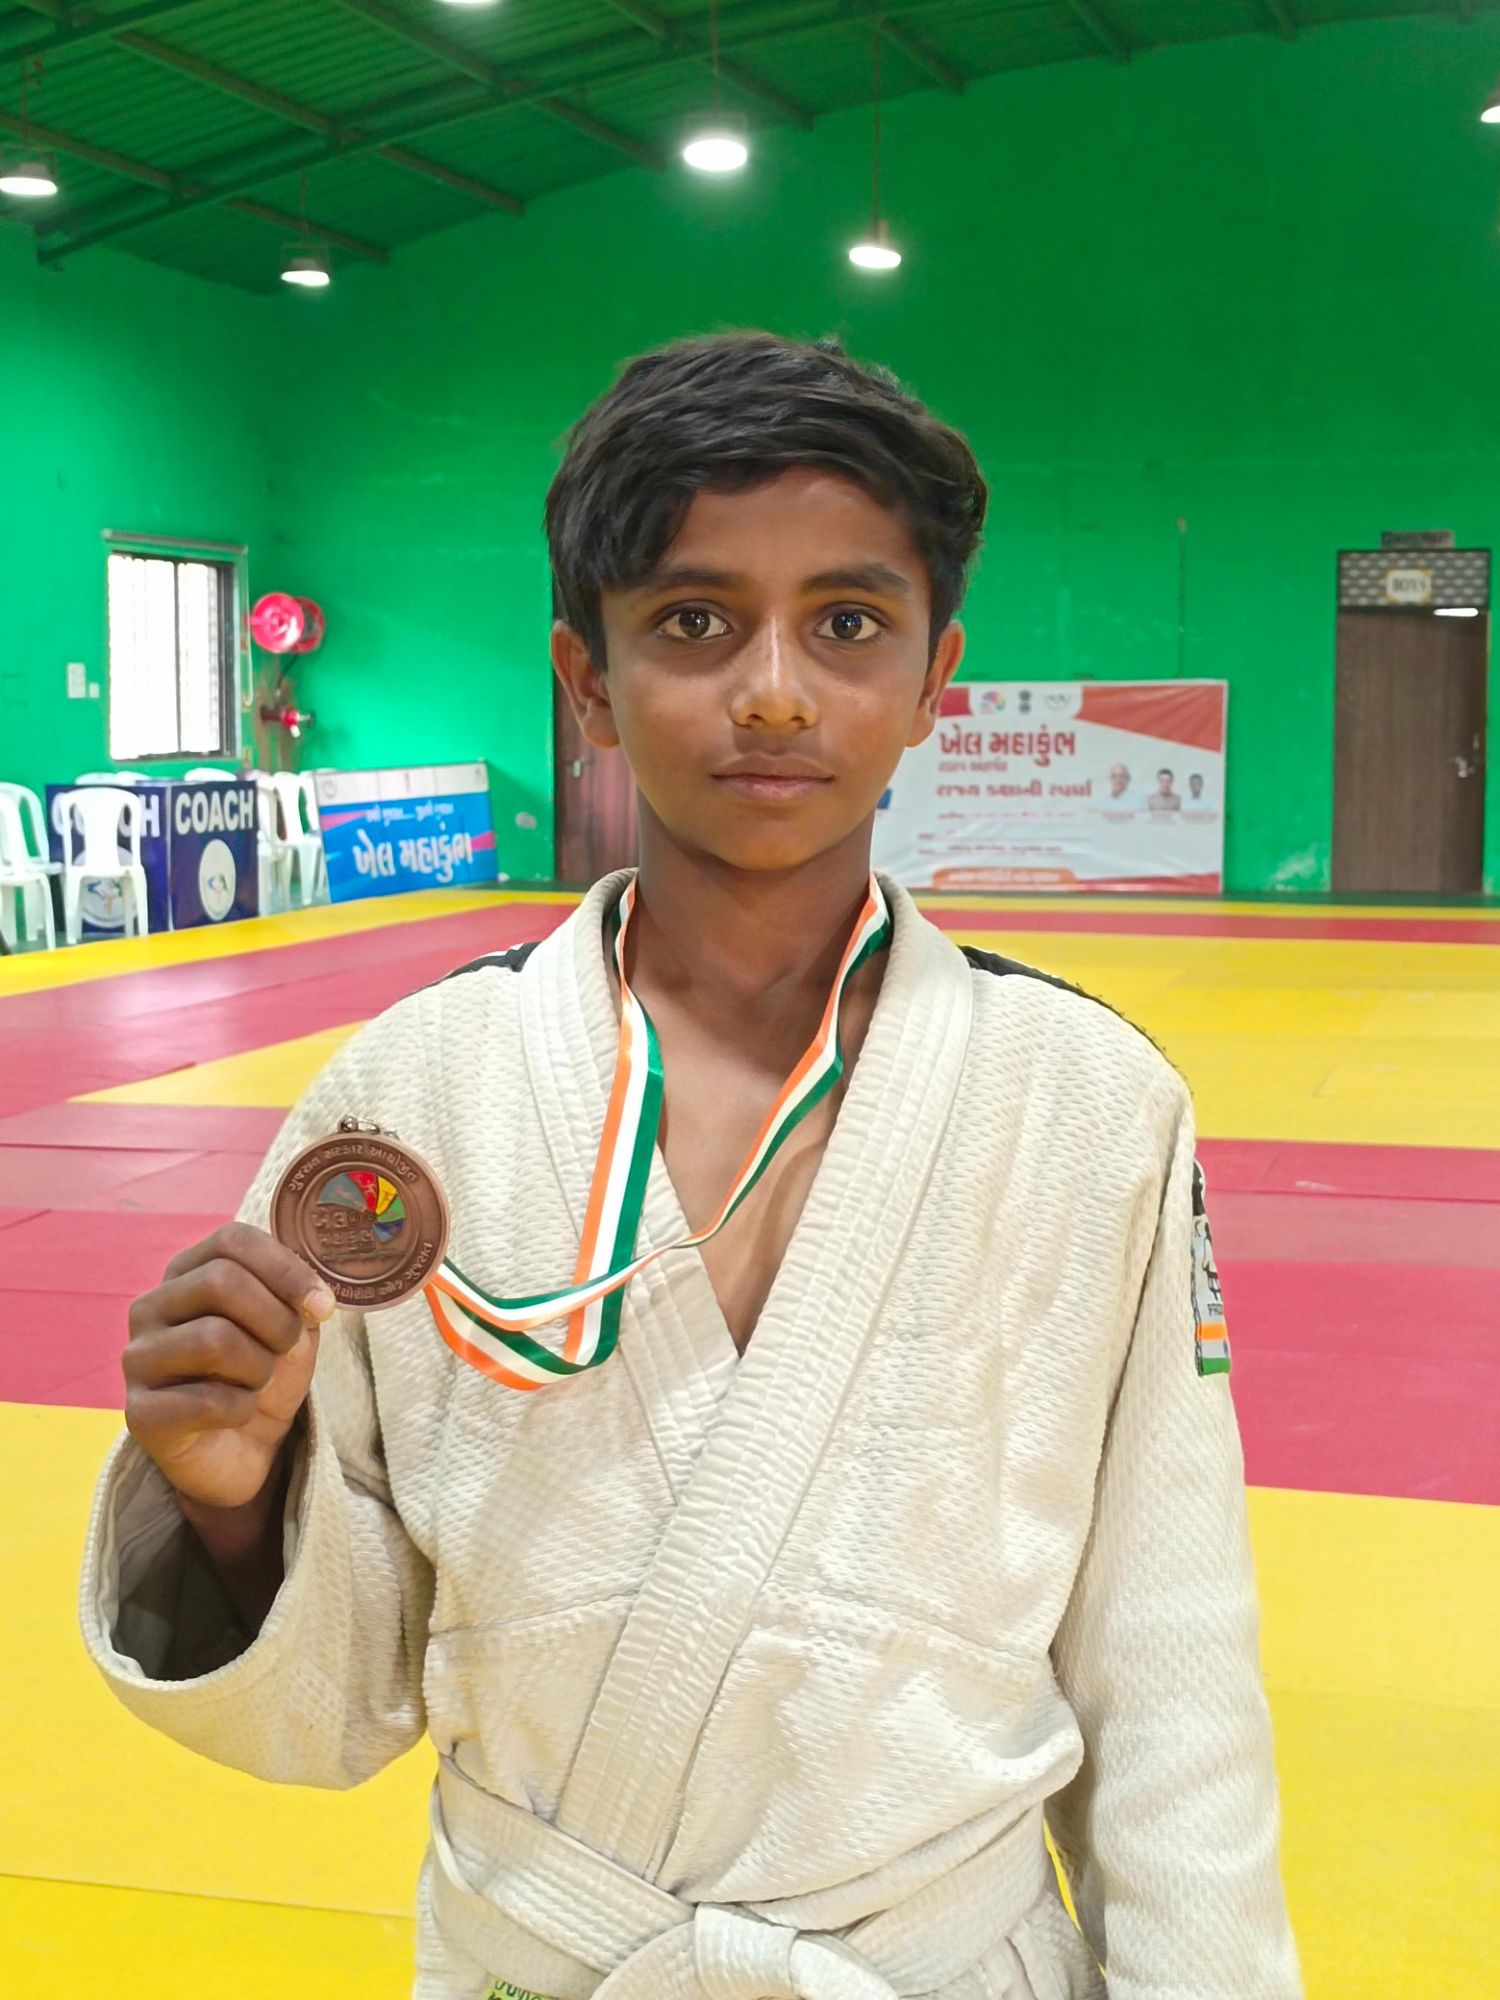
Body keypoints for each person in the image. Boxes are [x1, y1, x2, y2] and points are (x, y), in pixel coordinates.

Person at [80, 331, 1301, 2000]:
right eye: (694, 622)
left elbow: (1171, 1666)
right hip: (553, 1964)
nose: (776, 690)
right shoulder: (413, 1093)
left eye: (848, 624)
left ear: (936, 677)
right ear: (587, 678)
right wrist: (232, 1509)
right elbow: (339, 1703)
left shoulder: (1090, 1101)